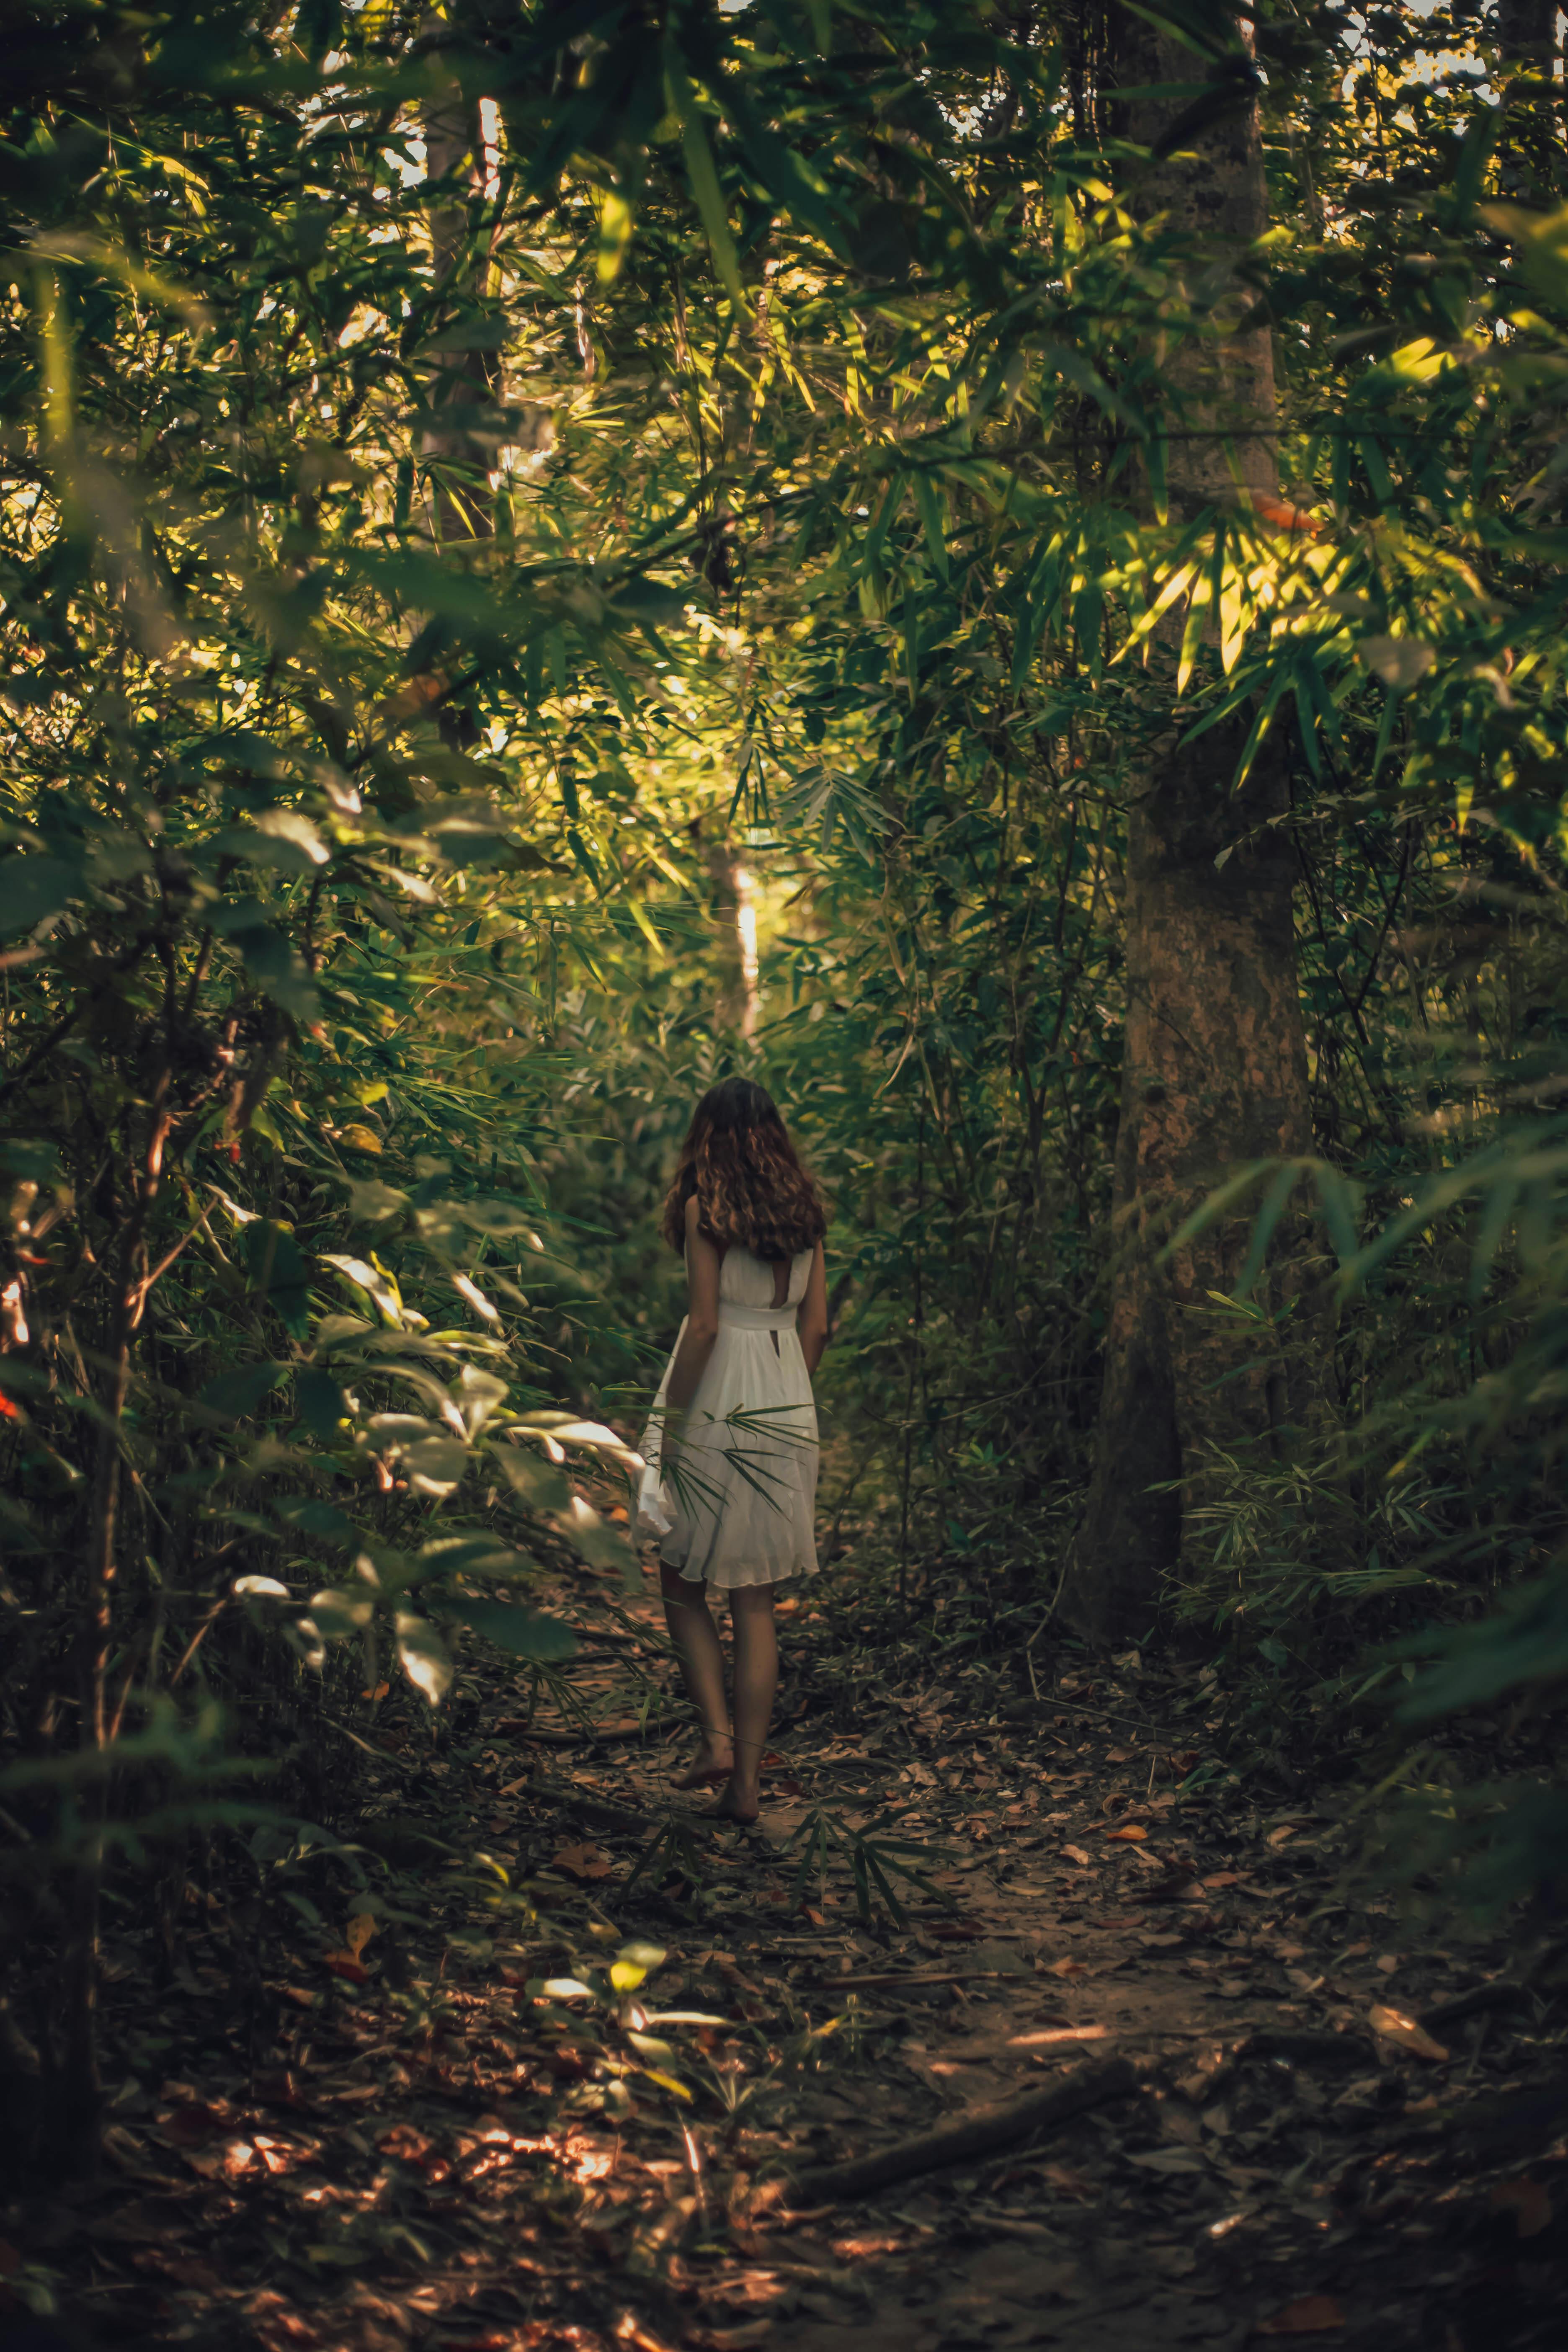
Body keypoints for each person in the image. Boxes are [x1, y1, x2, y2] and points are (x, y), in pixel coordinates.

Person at [637, 1077, 829, 1823]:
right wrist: (787, 1402)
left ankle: (713, 1741)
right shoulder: (808, 1216)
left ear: (705, 1137)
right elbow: (817, 1329)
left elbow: (707, 1326)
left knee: (681, 1577)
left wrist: (671, 1430)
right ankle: (745, 1787)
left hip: (719, 1391)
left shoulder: (704, 1211)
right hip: (787, 1394)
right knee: (756, 1599)